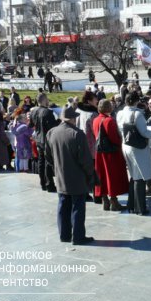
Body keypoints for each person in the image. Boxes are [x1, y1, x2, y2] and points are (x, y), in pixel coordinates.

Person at [45, 106, 95, 245]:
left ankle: (64, 235)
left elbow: (48, 156)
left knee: (63, 205)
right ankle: (78, 237)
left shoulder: (51, 133)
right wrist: (90, 174)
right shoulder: (77, 134)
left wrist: (57, 167)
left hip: (60, 176)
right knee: (78, 206)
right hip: (77, 177)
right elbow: (85, 159)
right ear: (72, 119)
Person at [118, 92, 151, 215]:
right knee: (140, 177)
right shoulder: (138, 114)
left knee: (133, 176)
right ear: (136, 101)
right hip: (138, 148)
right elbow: (145, 133)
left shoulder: (120, 113)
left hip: (126, 145)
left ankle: (131, 205)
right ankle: (140, 208)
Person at [92, 99, 129, 211]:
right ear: (109, 108)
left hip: (99, 152)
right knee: (111, 176)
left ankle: (105, 201)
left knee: (102, 176)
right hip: (111, 154)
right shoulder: (109, 120)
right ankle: (114, 201)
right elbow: (114, 139)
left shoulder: (95, 120)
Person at [29, 93, 58, 191]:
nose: (48, 101)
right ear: (44, 100)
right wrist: (59, 120)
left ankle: (43, 183)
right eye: (47, 99)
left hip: (38, 139)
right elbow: (53, 127)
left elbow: (30, 124)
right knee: (48, 162)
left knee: (41, 161)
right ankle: (49, 184)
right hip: (46, 140)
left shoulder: (33, 111)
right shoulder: (47, 112)